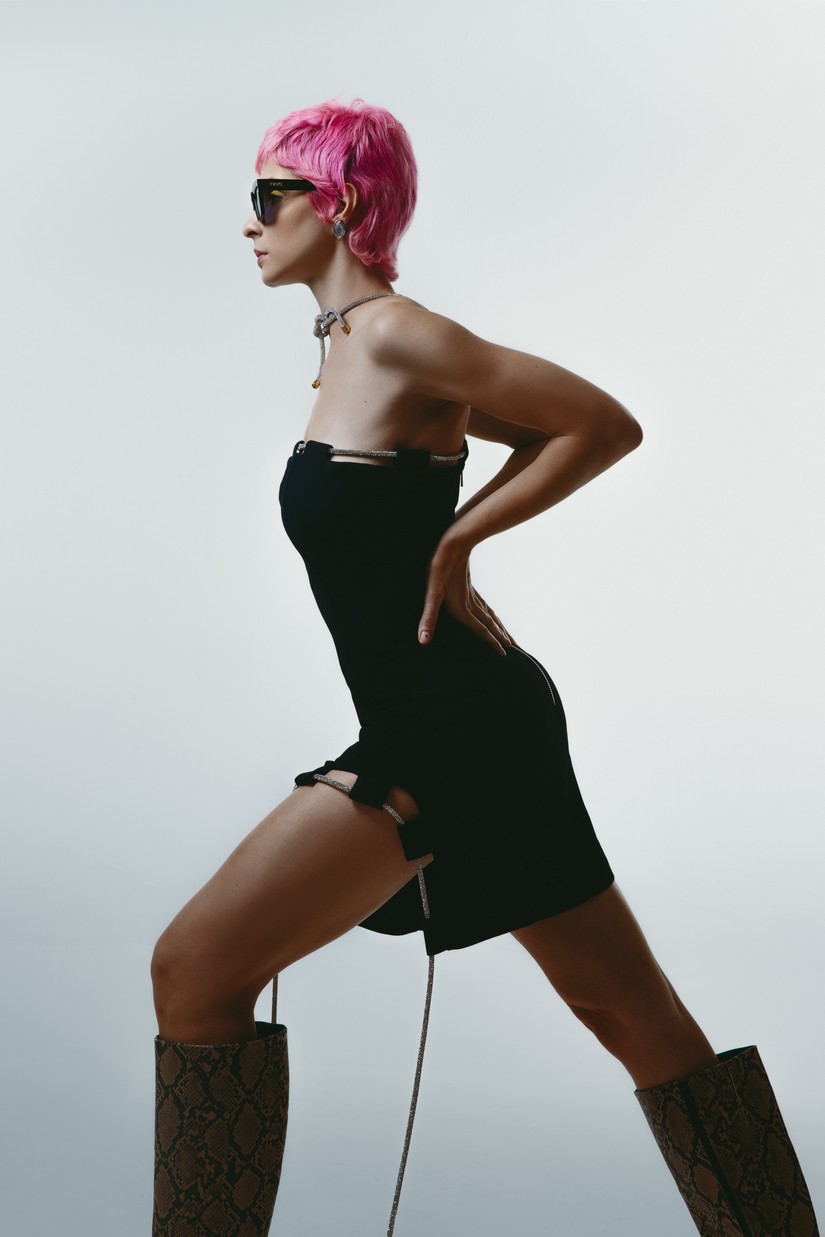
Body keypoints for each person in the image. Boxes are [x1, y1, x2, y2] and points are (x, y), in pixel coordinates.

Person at [149, 98, 820, 1237]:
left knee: (195, 966)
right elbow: (506, 436)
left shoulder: (401, 334)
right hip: (456, 715)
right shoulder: (347, 348)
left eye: (270, 194)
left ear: (340, 202)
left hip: (449, 726)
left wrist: (461, 539)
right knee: (630, 1015)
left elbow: (598, 423)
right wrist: (450, 523)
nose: (250, 221)